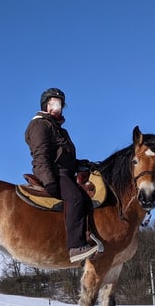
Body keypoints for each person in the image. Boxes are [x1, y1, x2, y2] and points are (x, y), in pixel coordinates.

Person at [25, 87, 101, 263]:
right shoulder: (39, 125)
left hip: (65, 171)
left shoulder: (59, 129)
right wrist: (49, 181)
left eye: (59, 104)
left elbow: (63, 156)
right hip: (55, 173)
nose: (57, 107)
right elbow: (41, 155)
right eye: (53, 103)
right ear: (45, 105)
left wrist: (82, 164)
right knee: (75, 198)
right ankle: (75, 246)